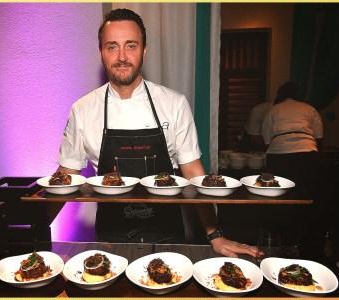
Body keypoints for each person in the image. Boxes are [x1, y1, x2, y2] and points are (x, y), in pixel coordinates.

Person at [56, 8, 259, 257]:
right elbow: (65, 177)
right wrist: (31, 233)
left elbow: (194, 173)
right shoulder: (83, 109)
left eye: (130, 45)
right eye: (112, 46)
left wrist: (214, 234)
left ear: (144, 50)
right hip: (110, 242)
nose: (121, 56)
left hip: (168, 238)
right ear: (101, 53)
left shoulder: (174, 103)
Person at [261, 81, 324, 245]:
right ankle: (300, 238)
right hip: (306, 152)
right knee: (305, 195)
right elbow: (319, 136)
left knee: (278, 195)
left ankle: (277, 235)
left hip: (280, 154)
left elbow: (266, 138)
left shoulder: (275, 109)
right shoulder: (309, 108)